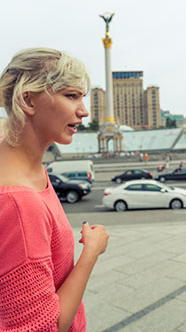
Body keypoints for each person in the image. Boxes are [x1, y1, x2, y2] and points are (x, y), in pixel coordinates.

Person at [0, 48, 109, 331]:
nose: (84, 111)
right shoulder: (19, 203)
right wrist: (91, 252)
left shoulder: (31, 169)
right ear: (28, 100)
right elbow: (45, 326)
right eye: (71, 96)